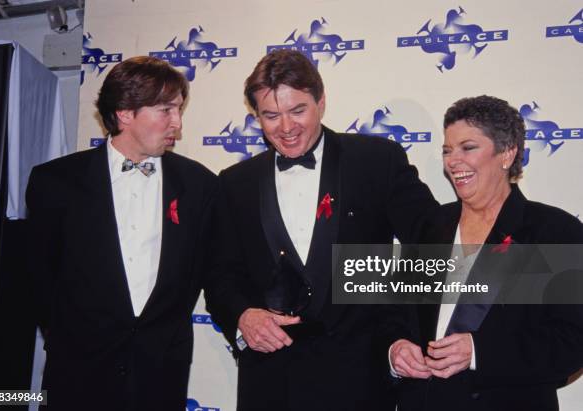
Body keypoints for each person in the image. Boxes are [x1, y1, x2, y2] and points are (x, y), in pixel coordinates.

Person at [204, 49, 437, 411]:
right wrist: (242, 316)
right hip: (269, 384)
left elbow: (431, 246)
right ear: (256, 117)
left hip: (359, 380)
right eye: (270, 115)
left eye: (298, 110)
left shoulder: (376, 161)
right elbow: (220, 275)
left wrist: (402, 333)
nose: (285, 127)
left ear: (321, 101)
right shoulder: (235, 183)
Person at [26, 56, 217, 411]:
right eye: (166, 110)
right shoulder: (54, 182)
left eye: (179, 110)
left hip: (160, 377)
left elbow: (211, 271)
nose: (178, 122)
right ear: (126, 113)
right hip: (76, 376)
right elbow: (38, 276)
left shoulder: (200, 185)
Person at [391, 95, 583, 411]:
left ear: (507, 153)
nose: (453, 161)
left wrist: (479, 352)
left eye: (468, 148)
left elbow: (571, 342)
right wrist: (396, 348)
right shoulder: (431, 226)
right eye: (447, 150)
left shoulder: (554, 232)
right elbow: (398, 315)